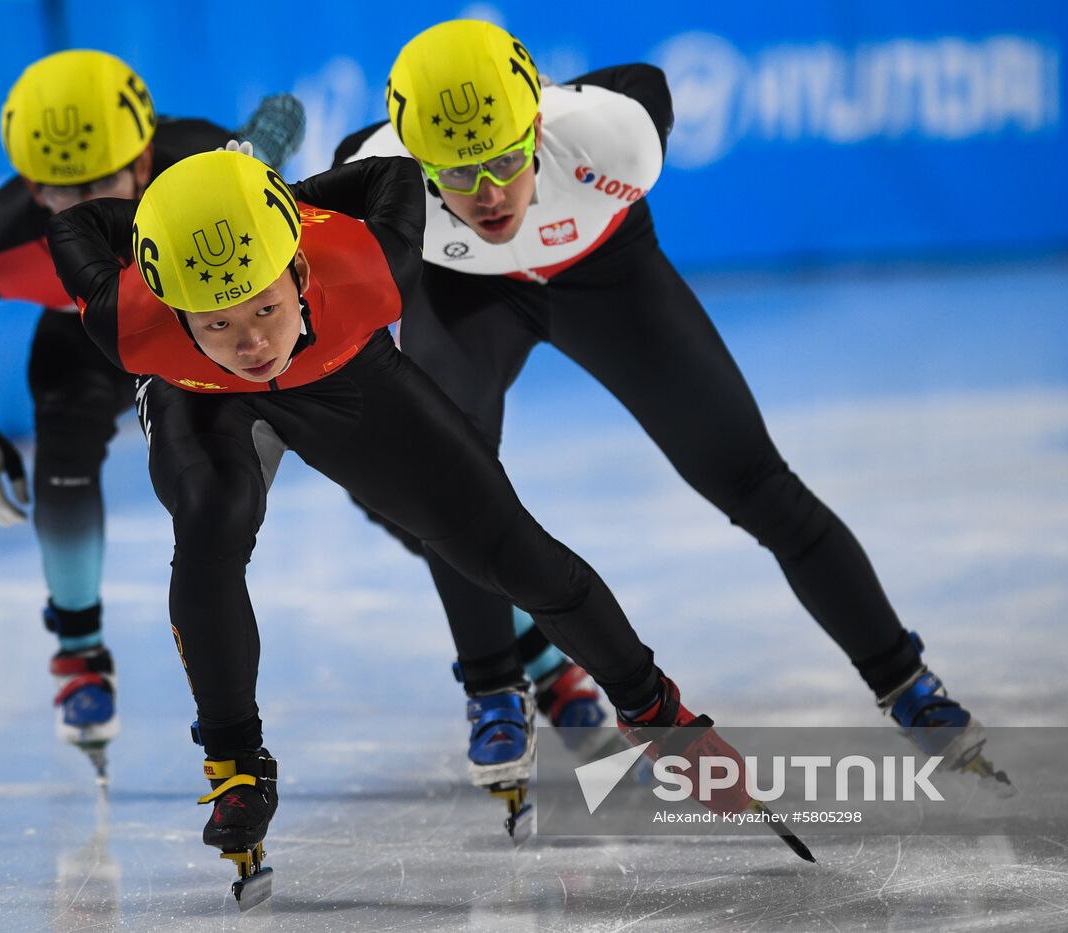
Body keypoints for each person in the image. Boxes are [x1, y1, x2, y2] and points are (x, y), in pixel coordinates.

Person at [45, 144, 800, 903]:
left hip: (344, 366)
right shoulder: (130, 322)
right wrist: (176, 235)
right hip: (196, 396)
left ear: (300, 272)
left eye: (266, 308)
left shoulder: (365, 263)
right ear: (173, 308)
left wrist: (282, 196)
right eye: (217, 322)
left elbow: (394, 172)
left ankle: (654, 709)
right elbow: (73, 224)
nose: (250, 344)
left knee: (514, 548)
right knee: (211, 522)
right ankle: (236, 763)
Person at [335, 19, 1010, 789]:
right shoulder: (377, 175)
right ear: (417, 158)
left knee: (754, 482)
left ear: (536, 123)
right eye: (456, 173)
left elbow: (644, 83)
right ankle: (494, 687)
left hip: (605, 273)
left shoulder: (610, 136)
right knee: (446, 484)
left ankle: (907, 683)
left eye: (504, 158)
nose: (488, 194)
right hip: (470, 295)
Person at [0, 49, 305, 778]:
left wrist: (259, 155)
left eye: (103, 184)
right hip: (98, 330)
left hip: (223, 326)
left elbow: (283, 110)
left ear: (145, 159)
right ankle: (78, 650)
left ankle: (508, 636)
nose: (84, 209)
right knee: (62, 447)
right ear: (29, 186)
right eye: (60, 194)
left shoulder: (201, 160)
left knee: (375, 467)